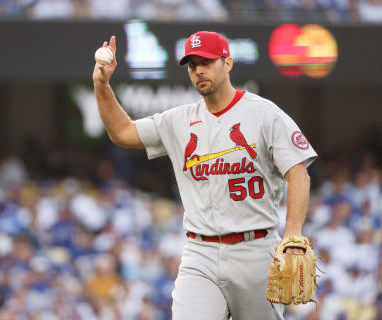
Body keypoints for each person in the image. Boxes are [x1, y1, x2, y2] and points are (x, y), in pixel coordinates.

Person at [92, 31, 317, 320]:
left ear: (228, 63)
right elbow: (122, 131)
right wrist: (102, 85)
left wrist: (293, 233)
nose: (198, 70)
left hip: (255, 250)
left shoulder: (264, 114)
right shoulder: (179, 120)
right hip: (201, 253)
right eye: (192, 64)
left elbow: (298, 173)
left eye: (207, 62)